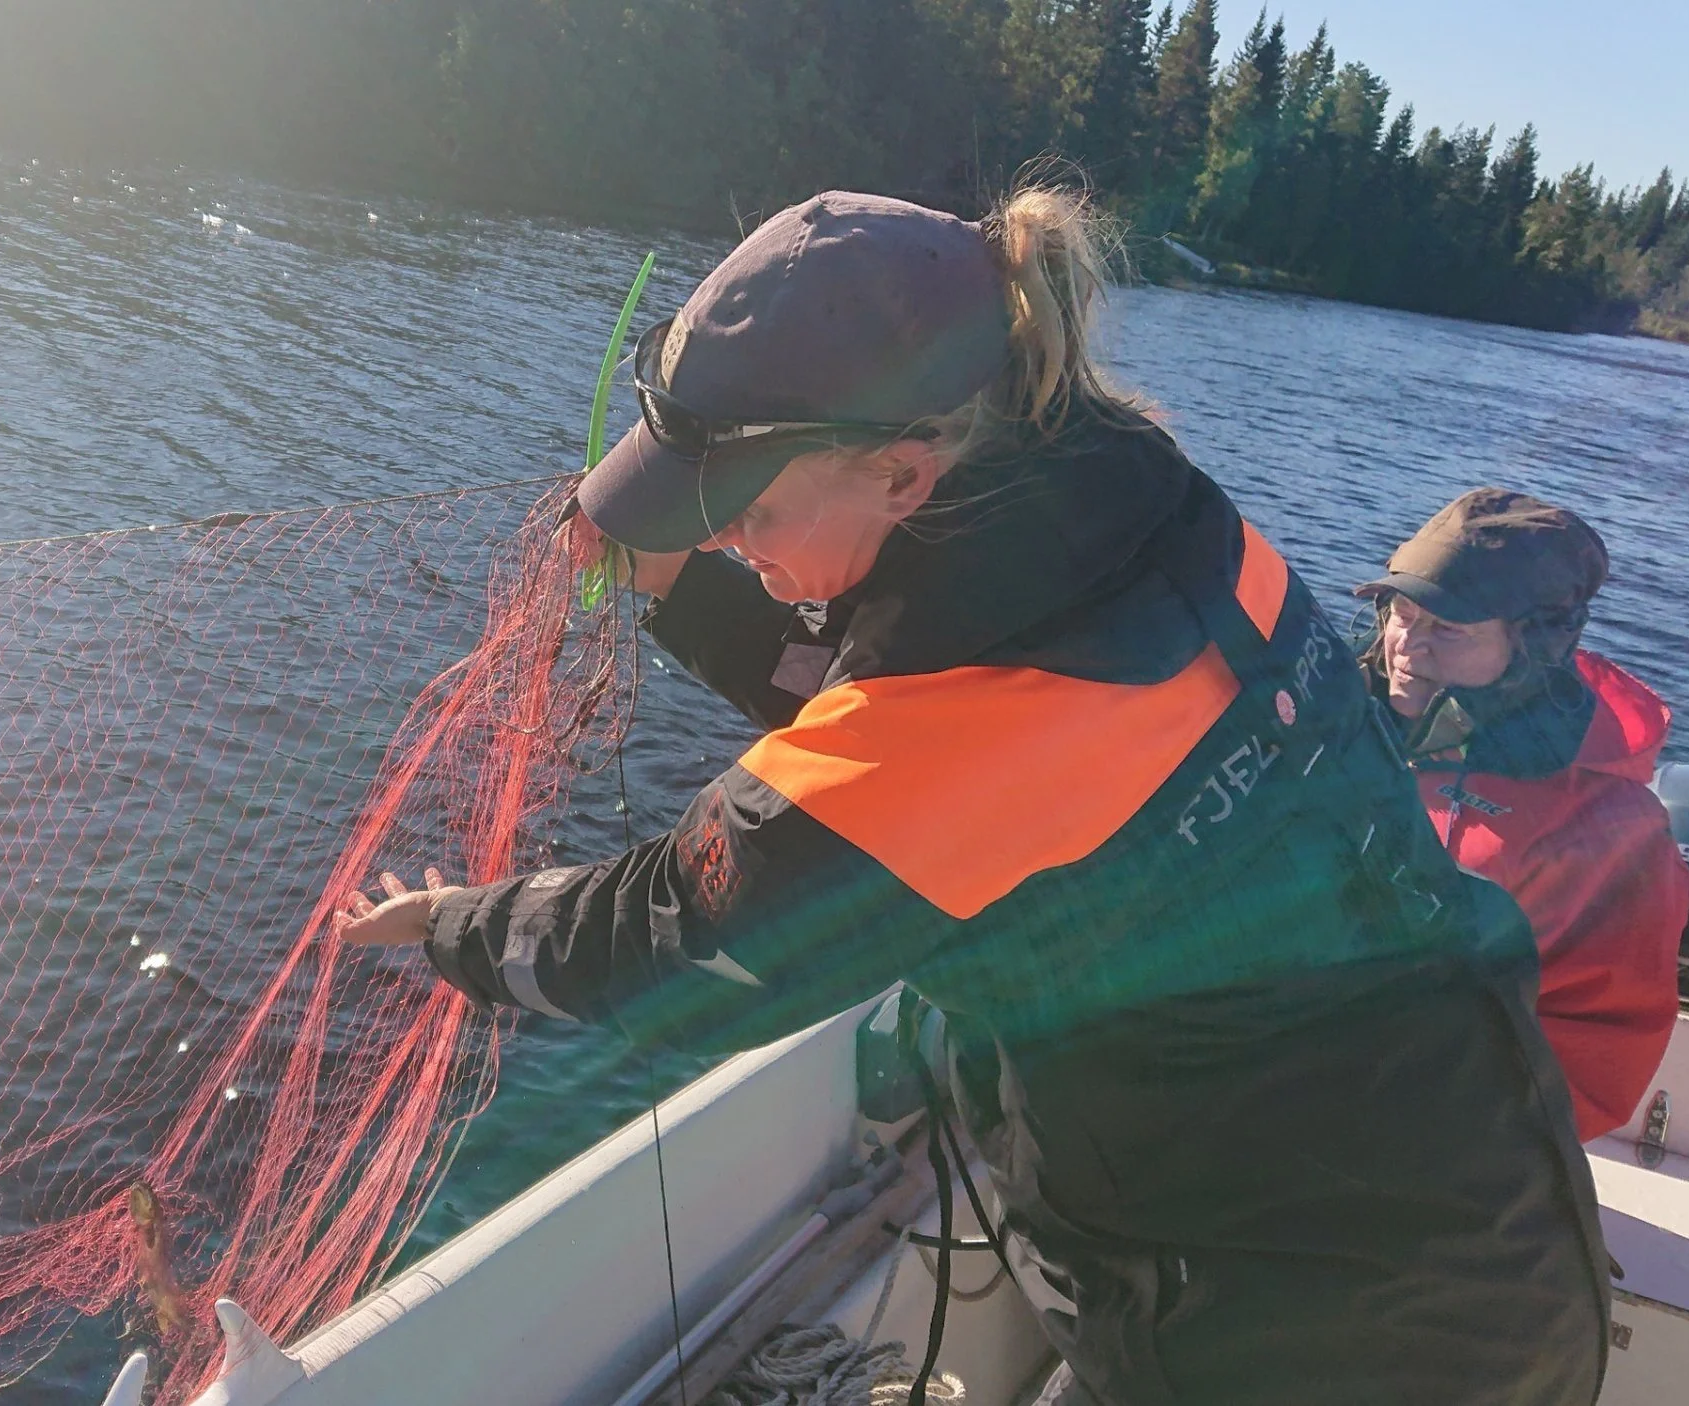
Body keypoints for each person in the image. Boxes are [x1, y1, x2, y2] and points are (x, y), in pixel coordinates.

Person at [341, 189, 1610, 1404]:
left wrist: (459, 922)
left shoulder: (991, 700)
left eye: (745, 508)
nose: (727, 536)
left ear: (902, 475)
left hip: (1318, 1342)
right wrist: (687, 588)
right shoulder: (1144, 520)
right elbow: (941, 747)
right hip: (1477, 1217)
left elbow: (681, 943)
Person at [1359, 489, 1689, 1141]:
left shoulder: (1608, 834)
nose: (1408, 646)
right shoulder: (1329, 709)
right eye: (1400, 611)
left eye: (1448, 628)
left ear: (1532, 644)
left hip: (1420, 1138)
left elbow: (1598, 1070)